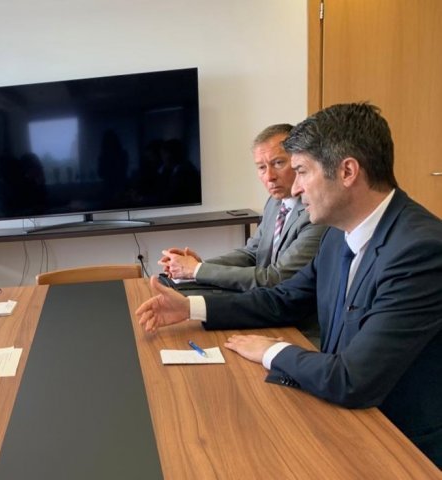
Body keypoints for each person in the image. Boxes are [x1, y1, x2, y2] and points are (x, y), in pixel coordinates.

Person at [136, 103, 442, 468]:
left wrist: (273, 351)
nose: (294, 188)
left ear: (347, 171)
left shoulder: (420, 250)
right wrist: (190, 308)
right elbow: (284, 299)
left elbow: (353, 379)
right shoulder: (338, 233)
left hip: (400, 442)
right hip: (343, 413)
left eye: (301, 171)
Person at [159, 124, 326, 292]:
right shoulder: (274, 203)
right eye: (261, 167)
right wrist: (198, 265)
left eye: (278, 163)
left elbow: (275, 278)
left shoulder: (315, 213)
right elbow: (252, 254)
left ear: (298, 161)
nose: (269, 176)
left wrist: (196, 270)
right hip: (263, 295)